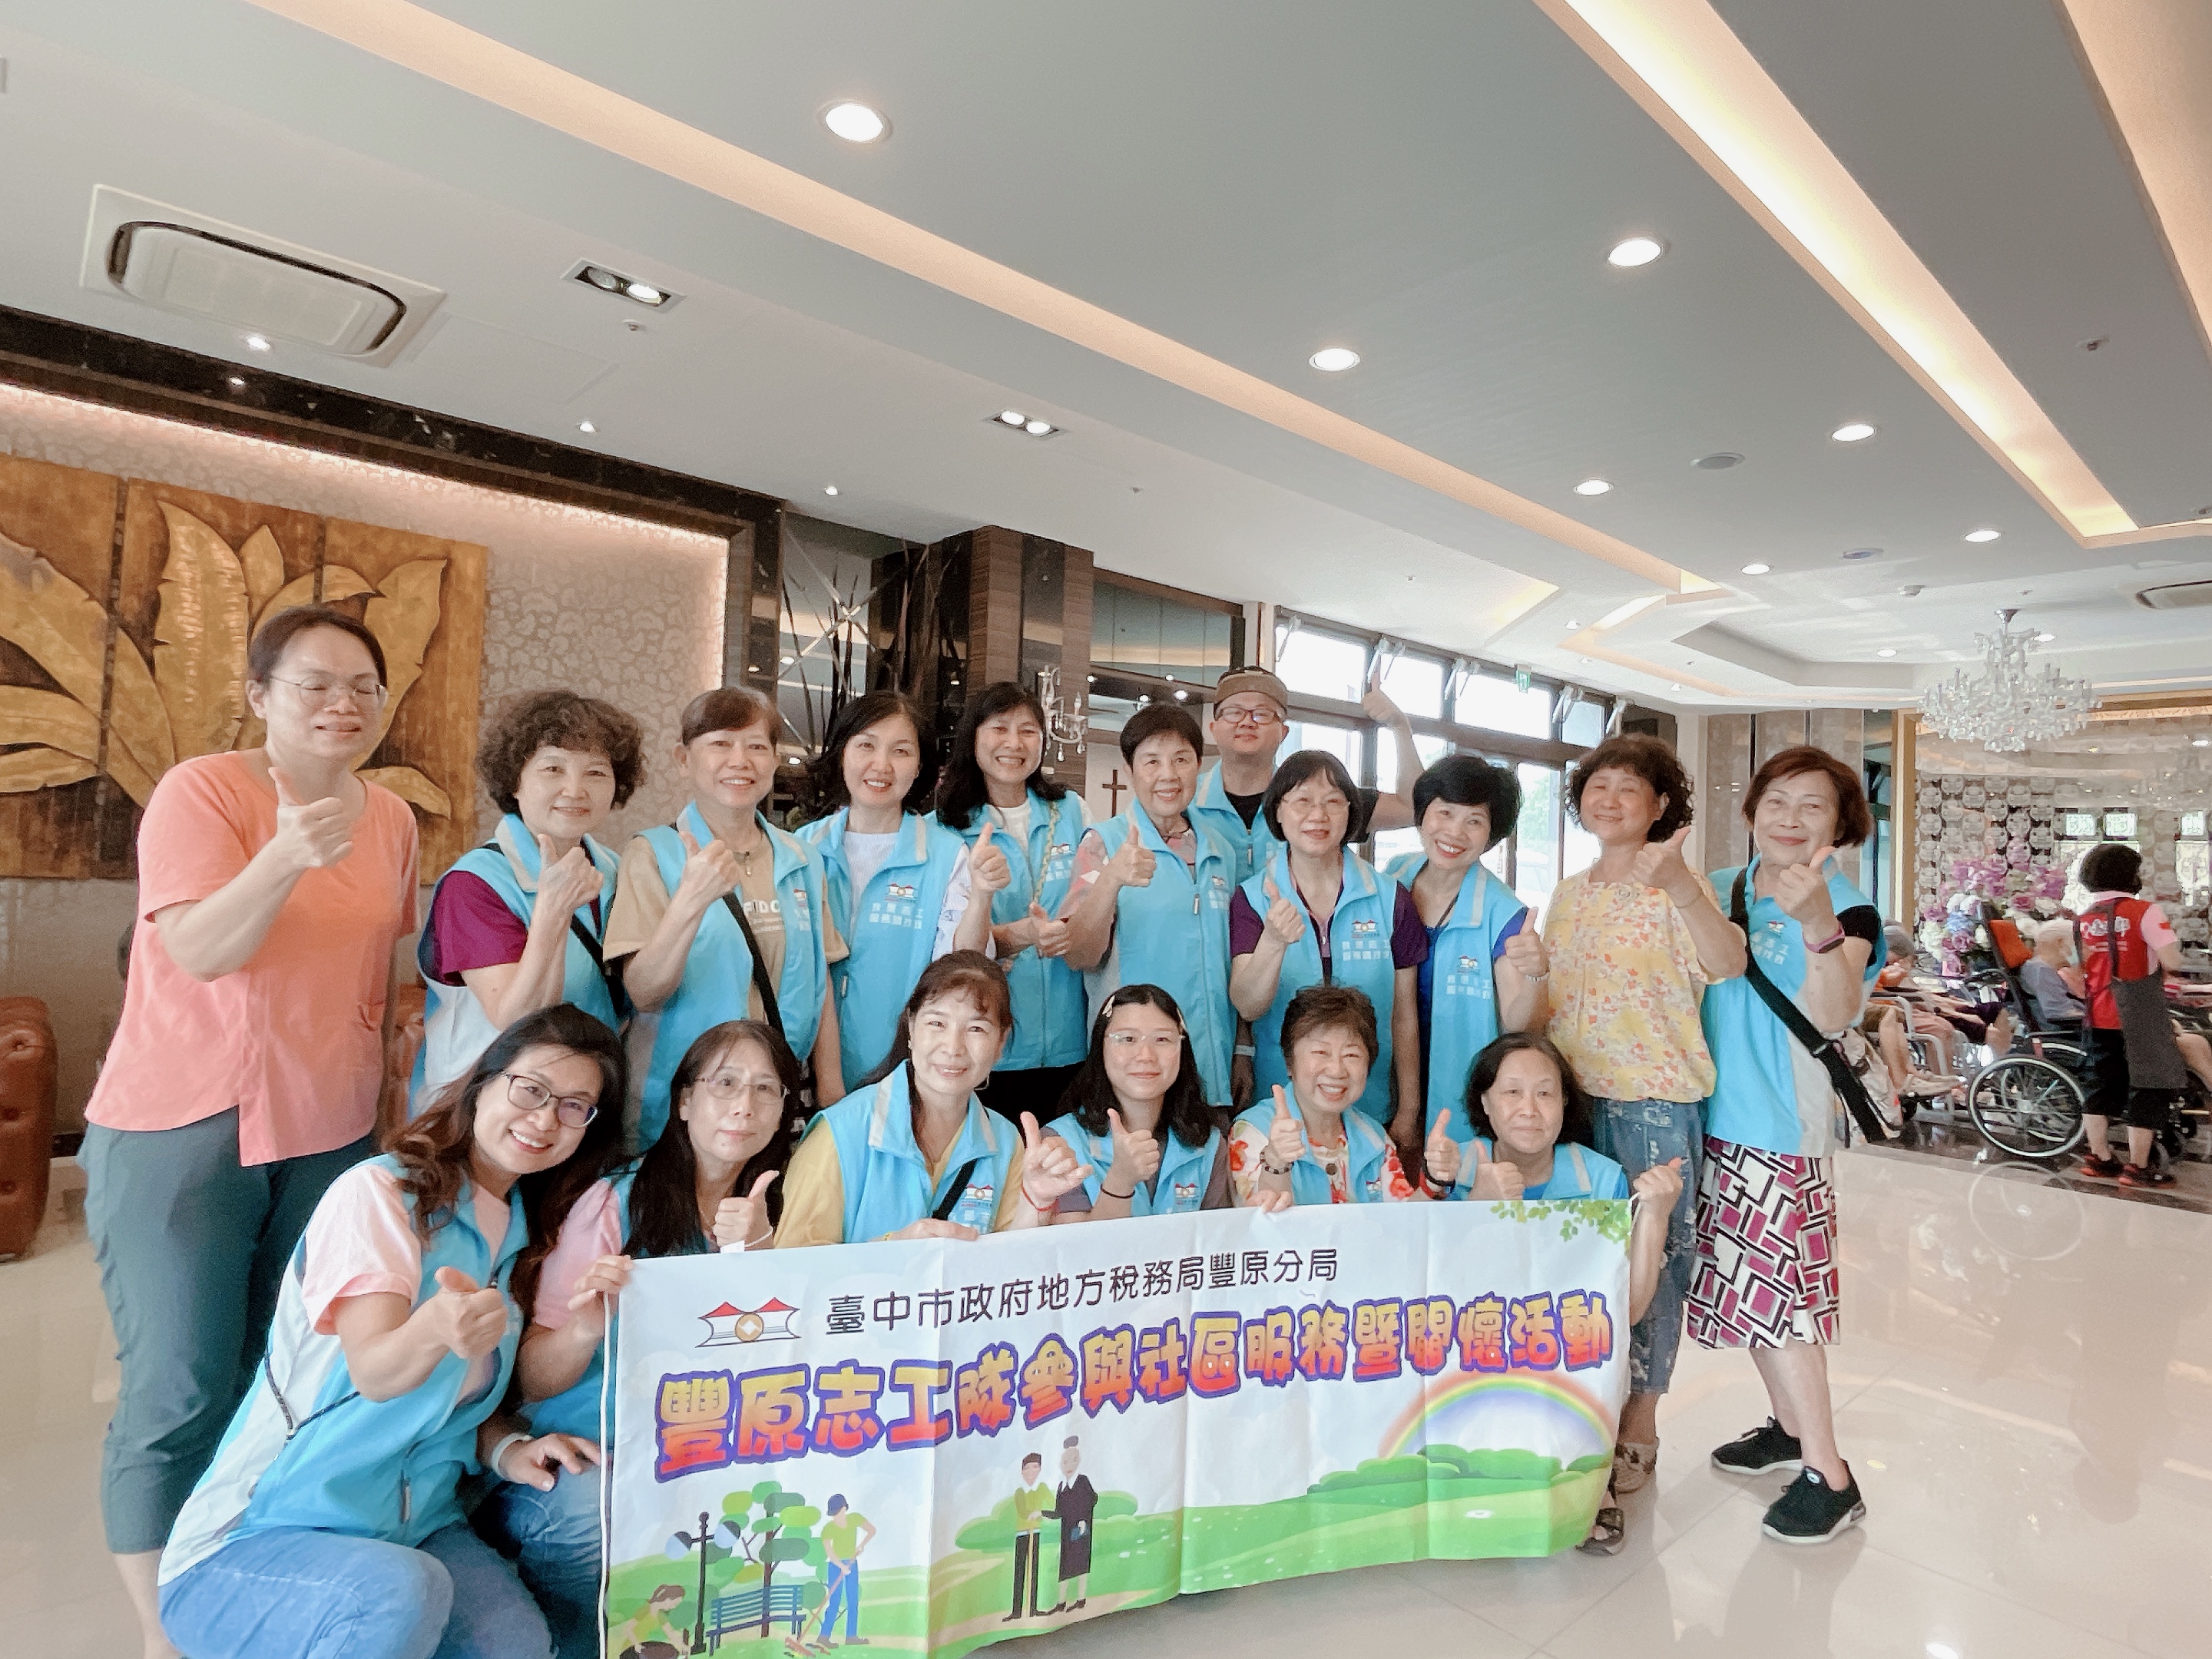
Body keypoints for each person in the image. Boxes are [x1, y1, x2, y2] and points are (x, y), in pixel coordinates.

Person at [80, 604, 420, 1659]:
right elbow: (200, 952)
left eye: (363, 686)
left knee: (275, 1380)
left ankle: (241, 1580)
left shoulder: (392, 818)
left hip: (331, 1131)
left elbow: (382, 983)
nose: (343, 704)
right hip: (188, 1125)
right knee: (179, 1388)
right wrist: (280, 856)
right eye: (315, 683)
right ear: (261, 694)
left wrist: (391, 1119)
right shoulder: (204, 792)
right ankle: (163, 1633)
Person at [156, 1005, 628, 1659]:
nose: (546, 1119)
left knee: (516, 1644)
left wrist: (505, 1448)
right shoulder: (381, 1194)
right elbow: (376, 1374)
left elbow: (454, 1405)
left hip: (414, 1528)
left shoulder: (524, 1230)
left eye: (575, 1107)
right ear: (484, 1083)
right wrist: (432, 1327)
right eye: (531, 1089)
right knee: (396, 1595)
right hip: (262, 1535)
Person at [485, 1019, 804, 1658]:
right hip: (585, 1449)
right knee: (592, 1520)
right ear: (684, 1101)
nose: (744, 1105)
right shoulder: (612, 1203)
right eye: (725, 1083)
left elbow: (780, 1356)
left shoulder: (778, 1206)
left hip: (702, 1442)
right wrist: (586, 1326)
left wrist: (760, 1252)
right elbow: (531, 1380)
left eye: (765, 1089)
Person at [1542, 733, 1744, 1501]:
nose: (1610, 799)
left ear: (1661, 805)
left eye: (1629, 787)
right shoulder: (1569, 893)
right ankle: (1584, 1403)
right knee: (1580, 1261)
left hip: (1652, 1099)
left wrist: (1683, 888)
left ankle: (1642, 1417)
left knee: (1655, 1263)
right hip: (1568, 1102)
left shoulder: (1678, 888)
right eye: (1598, 786)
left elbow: (1727, 964)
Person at [1692, 745, 1884, 1545]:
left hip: (1778, 1131)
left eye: (1813, 806)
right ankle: (1787, 1427)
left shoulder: (1850, 908)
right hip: (1708, 1118)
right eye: (1777, 801)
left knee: (1786, 1305)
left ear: (1841, 825)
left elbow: (1836, 1015)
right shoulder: (1723, 886)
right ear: (1751, 811)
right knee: (1747, 1295)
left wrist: (1817, 925)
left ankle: (1830, 1476)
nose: (1791, 818)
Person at [1422, 1031, 1682, 1554]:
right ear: (1485, 1103)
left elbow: (1626, 1312)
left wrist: (1655, 1216)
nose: (1529, 1109)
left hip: (1562, 1355)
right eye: (1511, 1092)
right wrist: (1475, 1203)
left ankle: (1590, 1478)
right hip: (1474, 1348)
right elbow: (1431, 1296)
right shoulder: (1454, 1166)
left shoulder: (1601, 1178)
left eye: (1545, 1093)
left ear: (1565, 1103)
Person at [607, 687, 844, 1149]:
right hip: (680, 1100)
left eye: (756, 746)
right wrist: (690, 900)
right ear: (684, 759)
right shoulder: (652, 854)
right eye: (720, 744)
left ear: (774, 760)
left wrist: (831, 1093)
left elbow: (821, 985)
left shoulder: (802, 858)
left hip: (771, 1098)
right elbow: (643, 993)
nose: (740, 761)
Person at [1185, 664, 1420, 1108]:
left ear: (1283, 730)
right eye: (1235, 711)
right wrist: (1242, 1048)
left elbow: (1414, 806)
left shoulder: (1318, 791)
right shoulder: (1185, 806)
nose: (1248, 721)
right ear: (1212, 726)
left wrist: (1399, 726)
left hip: (1365, 1092)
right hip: (1247, 1046)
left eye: (1263, 712)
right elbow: (1242, 982)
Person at [416, 689, 644, 1104]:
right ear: (514, 781)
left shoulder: (615, 869)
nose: (575, 789)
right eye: (553, 768)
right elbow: (518, 1020)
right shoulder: (475, 883)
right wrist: (552, 912)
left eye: (596, 772)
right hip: (484, 1103)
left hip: (583, 1099)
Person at [775, 953, 1090, 1245]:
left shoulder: (1006, 1142)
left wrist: (1037, 1201)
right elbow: (794, 1265)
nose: (953, 1047)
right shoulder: (840, 1132)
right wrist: (893, 1249)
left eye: (976, 1029)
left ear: (1000, 1043)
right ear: (911, 1029)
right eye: (937, 1024)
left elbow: (1008, 1267)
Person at [800, 690, 1002, 1088]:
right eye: (866, 746)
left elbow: (961, 967)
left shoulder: (946, 854)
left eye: (901, 751)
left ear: (920, 766)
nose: (882, 765)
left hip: (907, 1072)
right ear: (842, 753)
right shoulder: (801, 850)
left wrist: (981, 895)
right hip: (804, 1070)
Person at [1229, 751, 1429, 1148]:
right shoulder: (1252, 898)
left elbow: (1404, 1015)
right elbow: (1248, 1006)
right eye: (1302, 800)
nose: (1318, 815)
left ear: (1350, 812)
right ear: (1278, 812)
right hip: (1281, 1106)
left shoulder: (1391, 899)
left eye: (1333, 801)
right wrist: (1273, 942)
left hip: (1369, 1105)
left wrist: (1409, 1108)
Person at [1061, 706, 1239, 1108]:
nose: (1168, 775)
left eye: (1181, 760)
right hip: (1135, 1068)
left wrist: (1241, 1050)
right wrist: (1111, 879)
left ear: (1199, 766)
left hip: (1210, 1063)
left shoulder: (1219, 850)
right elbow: (1078, 955)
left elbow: (1233, 959)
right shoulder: (1103, 843)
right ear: (1130, 770)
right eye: (1152, 761)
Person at [931, 682, 1091, 1124]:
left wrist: (1073, 929)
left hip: (1072, 1041)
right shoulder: (942, 830)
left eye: (1028, 730)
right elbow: (944, 949)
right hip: (985, 1049)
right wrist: (1020, 934)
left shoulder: (1071, 812)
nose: (1014, 743)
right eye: (999, 728)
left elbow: (1094, 902)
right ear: (973, 738)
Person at [1383, 757, 1549, 1141]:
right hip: (1383, 1070)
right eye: (1445, 813)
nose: (1455, 832)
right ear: (1422, 816)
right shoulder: (1392, 878)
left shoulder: (1503, 912)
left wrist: (1536, 975)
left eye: (1474, 821)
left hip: (1457, 1081)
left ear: (1491, 836)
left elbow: (1519, 1024)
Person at [1048, 985, 1246, 1220]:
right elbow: (1073, 1242)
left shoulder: (1208, 1144)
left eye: (1162, 1039)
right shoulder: (1060, 1142)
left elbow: (1218, 1238)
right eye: (1127, 1039)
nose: (1146, 1056)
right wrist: (1120, 1180)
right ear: (1100, 1047)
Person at [1229, 985, 1422, 1205]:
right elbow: (1261, 1216)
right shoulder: (1253, 1129)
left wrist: (1434, 1182)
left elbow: (1403, 1218)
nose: (1336, 1070)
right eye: (1321, 1052)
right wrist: (1276, 1160)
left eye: (1351, 1055)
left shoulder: (1373, 1135)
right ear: (1289, 1062)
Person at [2074, 842, 2187, 1188]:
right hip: (2140, 1013)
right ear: (2130, 875)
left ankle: (2100, 1157)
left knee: (2101, 1085)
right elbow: (2172, 962)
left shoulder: (2083, 918)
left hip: (2097, 1013)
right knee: (2150, 1086)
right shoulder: (2145, 912)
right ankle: (2138, 1166)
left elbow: (2080, 969)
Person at [1045, 1436, 1098, 1614]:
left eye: (1074, 1460)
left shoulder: (1083, 1481)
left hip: (1081, 1530)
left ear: (1079, 1460)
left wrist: (1083, 1519)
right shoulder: (1062, 1486)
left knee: (1081, 1564)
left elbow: (1092, 1499)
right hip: (1067, 1532)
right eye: (1065, 1461)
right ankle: (1061, 1603)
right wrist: (1042, 1513)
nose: (1069, 1465)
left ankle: (1081, 1600)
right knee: (1066, 1566)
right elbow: (1058, 1512)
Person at [815, 1494, 875, 1649]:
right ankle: (823, 1637)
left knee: (853, 1600)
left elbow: (872, 1530)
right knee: (834, 1601)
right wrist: (842, 1567)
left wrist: (861, 1545)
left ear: (844, 1509)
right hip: (835, 1566)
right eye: (833, 1514)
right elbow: (830, 1552)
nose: (836, 1517)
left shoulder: (854, 1518)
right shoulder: (828, 1529)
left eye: (838, 1512)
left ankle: (851, 1636)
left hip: (852, 1563)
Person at [1005, 1453, 1051, 1622]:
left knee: (1034, 1569)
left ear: (1040, 1469)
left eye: (1035, 1467)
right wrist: (1034, 1514)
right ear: (1022, 1471)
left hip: (1036, 1532)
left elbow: (1052, 1505)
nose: (1031, 1471)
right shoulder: (1020, 1492)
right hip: (1022, 1534)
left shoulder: (1042, 1488)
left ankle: (1033, 1608)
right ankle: (1016, 1611)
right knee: (1020, 1571)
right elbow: (1023, 1512)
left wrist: (1041, 1513)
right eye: (1027, 1468)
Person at [2021, 918, 2086, 1028]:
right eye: (2080, 944)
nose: (2084, 950)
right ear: (2060, 943)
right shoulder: (2041, 970)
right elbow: (2060, 1013)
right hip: (2068, 1031)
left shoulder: (2042, 969)